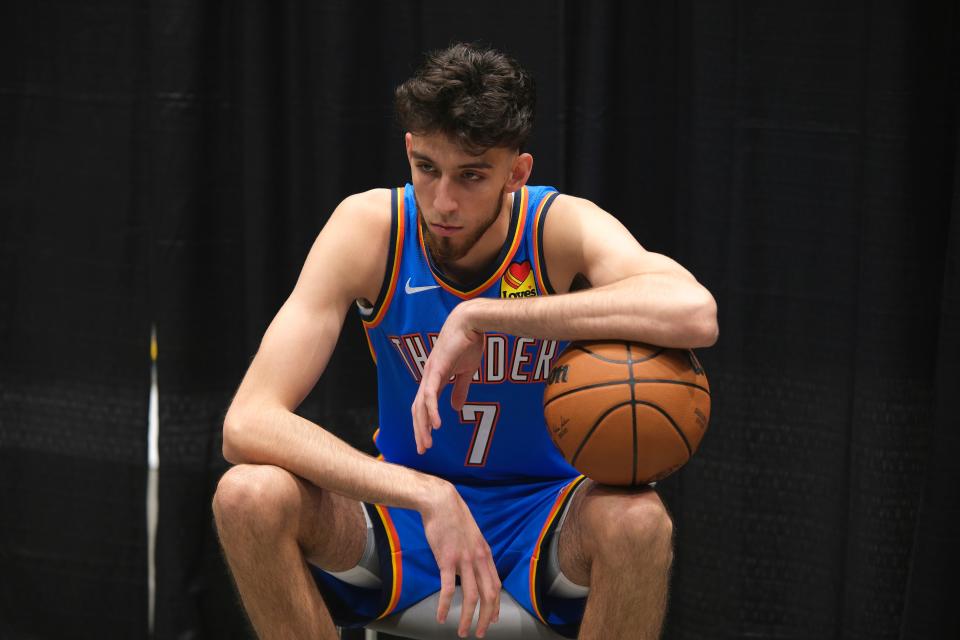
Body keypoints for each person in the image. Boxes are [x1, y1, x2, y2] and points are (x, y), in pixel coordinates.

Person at [212, 42, 718, 640]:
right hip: (405, 513)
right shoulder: (372, 227)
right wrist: (428, 494)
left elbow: (694, 312)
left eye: (472, 176)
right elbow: (246, 422)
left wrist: (488, 317)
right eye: (427, 168)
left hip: (547, 513)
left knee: (639, 522)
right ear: (409, 150)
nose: (443, 201)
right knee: (246, 494)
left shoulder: (556, 226)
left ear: (517, 173)